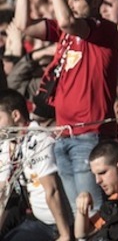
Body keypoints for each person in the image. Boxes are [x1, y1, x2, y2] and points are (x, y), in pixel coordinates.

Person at [10, 0, 118, 212]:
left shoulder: (103, 30)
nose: (69, 4)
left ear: (95, 3)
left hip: (89, 136)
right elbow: (22, 23)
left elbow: (68, 22)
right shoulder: (64, 31)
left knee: (93, 213)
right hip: (62, 134)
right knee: (79, 215)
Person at [0, 88, 72, 241]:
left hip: (55, 224)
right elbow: (2, 191)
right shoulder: (10, 143)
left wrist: (64, 235)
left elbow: (52, 190)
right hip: (36, 219)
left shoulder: (38, 140)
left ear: (15, 115)